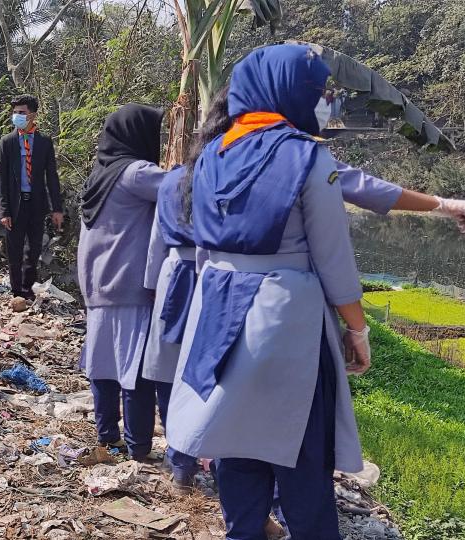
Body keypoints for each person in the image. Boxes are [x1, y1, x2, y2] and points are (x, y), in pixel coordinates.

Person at [165, 44, 371, 538]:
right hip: (287, 319)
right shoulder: (310, 157)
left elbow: (203, 247)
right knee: (302, 453)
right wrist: (357, 329)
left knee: (234, 443)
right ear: (287, 93)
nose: (321, 101)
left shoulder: (209, 155)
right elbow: (333, 257)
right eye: (316, 91)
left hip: (217, 311)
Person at [77, 104, 168, 463]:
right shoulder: (135, 172)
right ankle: (138, 447)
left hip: (98, 285)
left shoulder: (99, 175)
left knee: (103, 367)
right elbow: (182, 188)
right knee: (135, 372)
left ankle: (108, 439)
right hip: (128, 285)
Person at [0, 94, 64, 300]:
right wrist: (4, 211)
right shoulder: (7, 142)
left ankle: (27, 288)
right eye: (15, 112)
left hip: (36, 204)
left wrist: (56, 208)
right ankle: (16, 290)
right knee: (14, 250)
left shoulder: (44, 142)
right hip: (15, 205)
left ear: (32, 115)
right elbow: (2, 179)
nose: (17, 116)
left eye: (22, 112)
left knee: (33, 249)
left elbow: (51, 176)